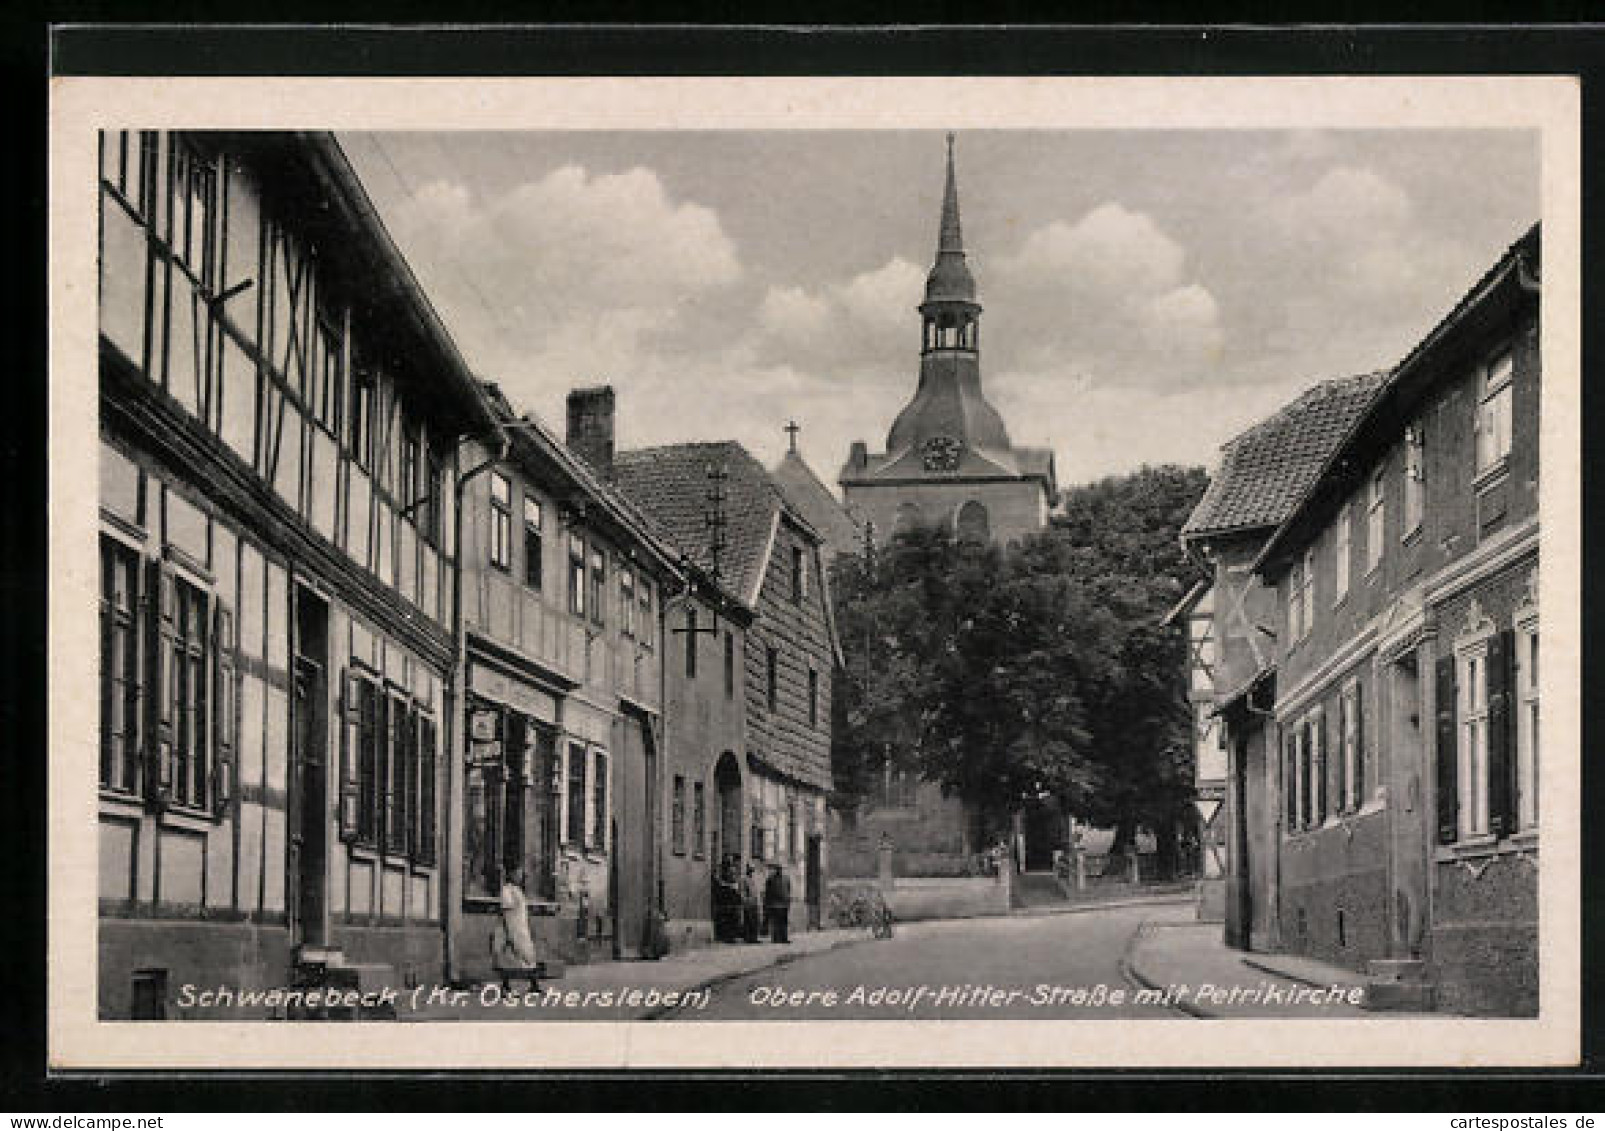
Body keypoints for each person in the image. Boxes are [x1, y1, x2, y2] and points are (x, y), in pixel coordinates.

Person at [495, 866, 540, 991]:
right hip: (511, 928)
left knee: (528, 955)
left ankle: (533, 984)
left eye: (521, 875)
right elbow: (506, 911)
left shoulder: (518, 890)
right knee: (510, 956)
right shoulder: (507, 890)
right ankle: (506, 985)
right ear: (511, 875)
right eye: (518, 874)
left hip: (521, 927)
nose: (520, 877)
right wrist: (509, 932)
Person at [763, 863, 792, 944]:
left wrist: (788, 900)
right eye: (777, 869)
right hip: (774, 904)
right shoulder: (770, 879)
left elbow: (788, 889)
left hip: (784, 904)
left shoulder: (786, 878)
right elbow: (767, 892)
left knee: (784, 922)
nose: (779, 870)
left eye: (780, 869)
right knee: (775, 922)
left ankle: (784, 938)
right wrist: (767, 904)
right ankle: (776, 938)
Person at [741, 864, 762, 944]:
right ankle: (748, 937)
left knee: (754, 921)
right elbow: (743, 892)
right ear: (748, 871)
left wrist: (758, 902)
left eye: (752, 871)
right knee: (748, 921)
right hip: (748, 904)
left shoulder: (753, 880)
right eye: (750, 870)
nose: (751, 872)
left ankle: (754, 937)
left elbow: (756, 892)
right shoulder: (745, 880)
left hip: (754, 903)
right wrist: (745, 901)